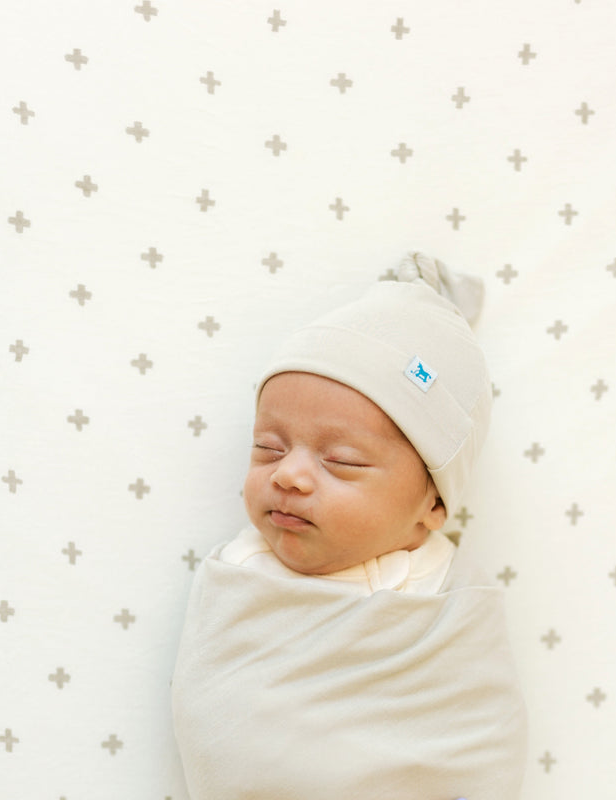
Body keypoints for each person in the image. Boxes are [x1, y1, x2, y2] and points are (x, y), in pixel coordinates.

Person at [171, 252, 528, 799]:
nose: (288, 474)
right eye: (268, 448)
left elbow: (482, 736)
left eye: (341, 461)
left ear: (432, 505)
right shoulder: (243, 575)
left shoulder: (449, 591)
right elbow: (220, 722)